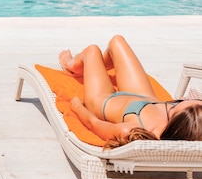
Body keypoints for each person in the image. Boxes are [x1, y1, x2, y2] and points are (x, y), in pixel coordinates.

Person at [58, 35, 202, 148]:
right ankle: (96, 68)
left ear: (176, 123)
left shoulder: (135, 131)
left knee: (92, 51)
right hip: (144, 96)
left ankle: (71, 65)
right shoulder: (189, 124)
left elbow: (93, 124)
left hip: (104, 100)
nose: (175, 103)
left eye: (174, 108)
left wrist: (76, 106)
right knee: (117, 41)